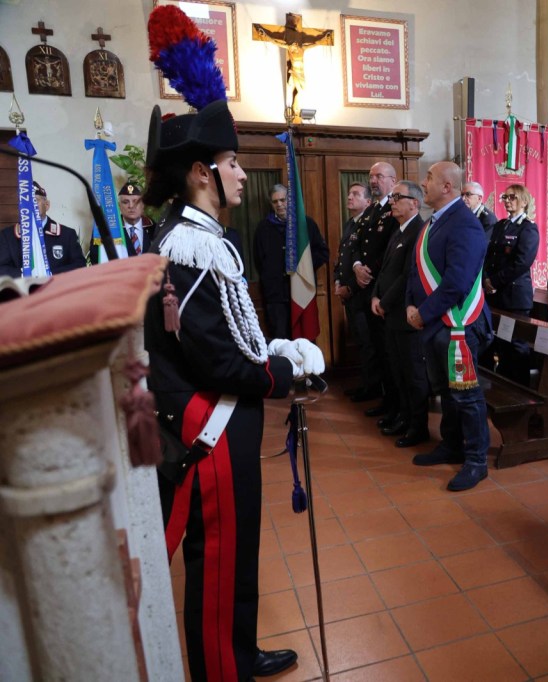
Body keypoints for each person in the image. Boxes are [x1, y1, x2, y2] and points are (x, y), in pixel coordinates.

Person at [142, 93, 323, 682]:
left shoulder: (199, 236)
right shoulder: (187, 245)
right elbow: (217, 359)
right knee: (219, 558)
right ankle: (225, 672)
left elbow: (232, 338)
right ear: (201, 173)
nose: (243, 173)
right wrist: (283, 373)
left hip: (229, 414)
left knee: (239, 550)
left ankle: (238, 654)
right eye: (233, 163)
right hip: (211, 423)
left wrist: (273, 352)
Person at [407, 161, 493, 492]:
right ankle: (451, 444)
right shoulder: (435, 221)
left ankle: (476, 460)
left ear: (447, 187)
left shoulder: (465, 225)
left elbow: (458, 282)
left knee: (466, 395)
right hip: (433, 322)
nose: (423, 182)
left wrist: (422, 313)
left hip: (459, 326)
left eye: (428, 177)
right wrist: (409, 307)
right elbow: (416, 271)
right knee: (446, 392)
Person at [371, 181, 429, 447]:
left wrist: (384, 300)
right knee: (398, 371)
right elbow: (385, 270)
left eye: (397, 197)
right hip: (390, 313)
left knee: (413, 374)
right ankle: (403, 417)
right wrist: (374, 295)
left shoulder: (419, 230)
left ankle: (418, 426)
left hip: (405, 314)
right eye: (392, 197)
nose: (392, 201)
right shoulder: (399, 230)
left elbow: (408, 275)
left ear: (414, 203)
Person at [251, 184, 329, 339]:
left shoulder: (306, 224)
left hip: (301, 292)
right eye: (275, 202)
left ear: (291, 200)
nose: (279, 204)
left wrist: (302, 266)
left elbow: (323, 253)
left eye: (283, 200)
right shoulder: (263, 228)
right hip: (276, 297)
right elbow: (259, 260)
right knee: (281, 341)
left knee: (305, 339)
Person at [349, 162, 399, 404]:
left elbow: (392, 249)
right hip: (365, 287)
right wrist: (357, 267)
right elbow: (356, 244)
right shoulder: (369, 211)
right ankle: (382, 397)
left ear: (392, 179)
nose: (374, 181)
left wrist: (369, 272)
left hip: (383, 288)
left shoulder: (394, 208)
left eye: (379, 176)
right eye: (371, 176)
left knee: (388, 352)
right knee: (373, 346)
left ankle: (391, 402)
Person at [482, 183, 539, 386]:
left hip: (514, 296)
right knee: (501, 344)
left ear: (524, 201)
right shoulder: (500, 226)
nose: (507, 200)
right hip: (496, 294)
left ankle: (521, 390)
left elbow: (522, 262)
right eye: (504, 197)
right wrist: (486, 278)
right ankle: (504, 387)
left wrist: (494, 281)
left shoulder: (528, 228)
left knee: (516, 345)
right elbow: (488, 256)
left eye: (512, 197)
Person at [0, 181, 87, 277]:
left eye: (35, 200)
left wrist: (49, 274)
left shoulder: (67, 234)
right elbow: (2, 268)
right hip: (22, 289)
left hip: (57, 289)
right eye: (26, 201)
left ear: (47, 205)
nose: (30, 205)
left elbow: (80, 265)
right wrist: (25, 274)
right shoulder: (7, 235)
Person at [334, 183, 372, 395]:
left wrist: (350, 287)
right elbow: (342, 258)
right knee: (359, 341)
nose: (349, 197)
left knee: (367, 344)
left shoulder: (367, 226)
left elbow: (367, 266)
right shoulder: (351, 224)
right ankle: (365, 385)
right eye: (349, 193)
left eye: (355, 194)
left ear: (368, 202)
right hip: (348, 293)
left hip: (361, 295)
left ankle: (371, 388)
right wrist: (337, 281)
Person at [90, 181, 154, 263]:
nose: (131, 206)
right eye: (125, 202)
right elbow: (96, 259)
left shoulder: (155, 228)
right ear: (119, 206)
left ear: (143, 205)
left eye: (136, 201)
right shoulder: (106, 229)